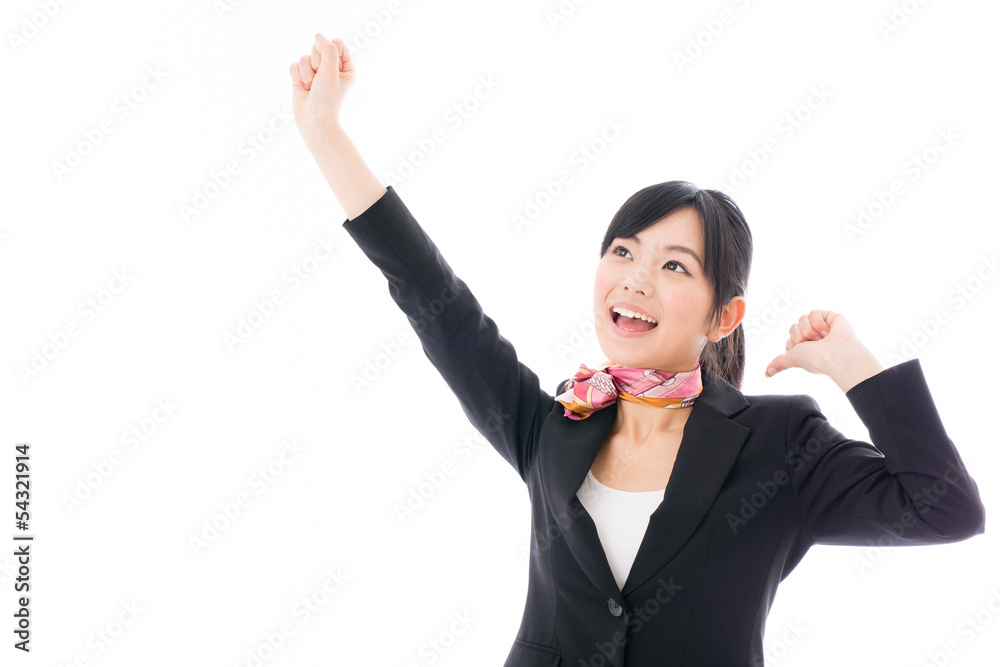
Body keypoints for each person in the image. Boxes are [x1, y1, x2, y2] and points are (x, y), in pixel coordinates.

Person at [289, 34, 987, 666]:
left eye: (675, 265)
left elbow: (945, 508)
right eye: (623, 251)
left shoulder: (782, 444)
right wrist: (324, 132)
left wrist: (852, 364)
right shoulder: (552, 426)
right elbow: (431, 296)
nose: (635, 278)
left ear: (725, 316)